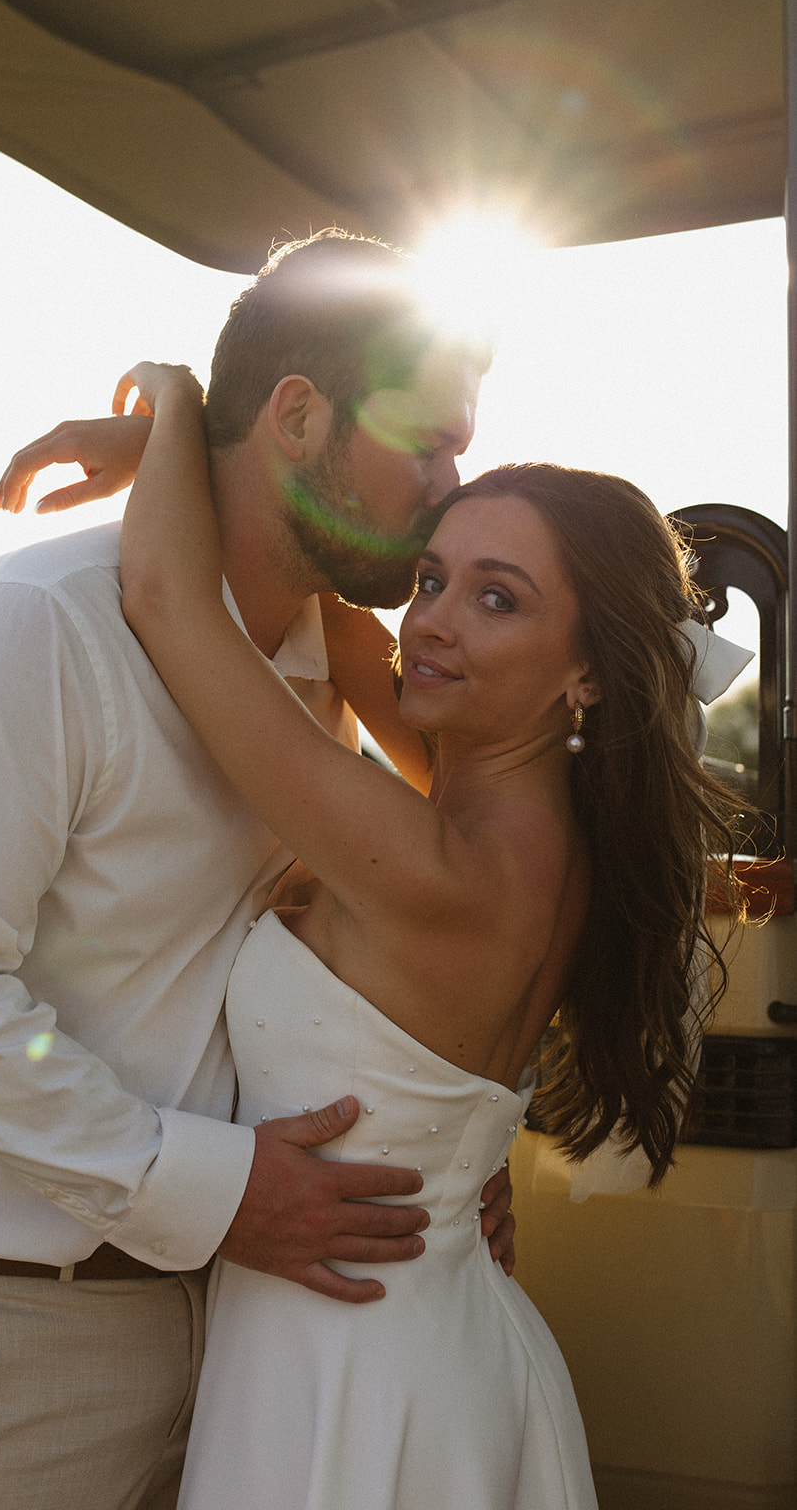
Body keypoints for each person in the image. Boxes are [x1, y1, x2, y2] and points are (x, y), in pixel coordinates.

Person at [0, 232, 513, 1510]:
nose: (447, 488)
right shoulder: (28, 635)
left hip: (242, 1326)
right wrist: (217, 1192)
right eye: (428, 442)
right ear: (296, 416)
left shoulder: (331, 664)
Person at [110, 359, 745, 1510]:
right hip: (424, 1327)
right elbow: (350, 627)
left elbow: (164, 596)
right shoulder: (525, 814)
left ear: (588, 674)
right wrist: (229, 476)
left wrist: (175, 405)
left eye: (497, 598)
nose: (435, 625)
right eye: (434, 577)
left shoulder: (440, 865)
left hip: (352, 1365)